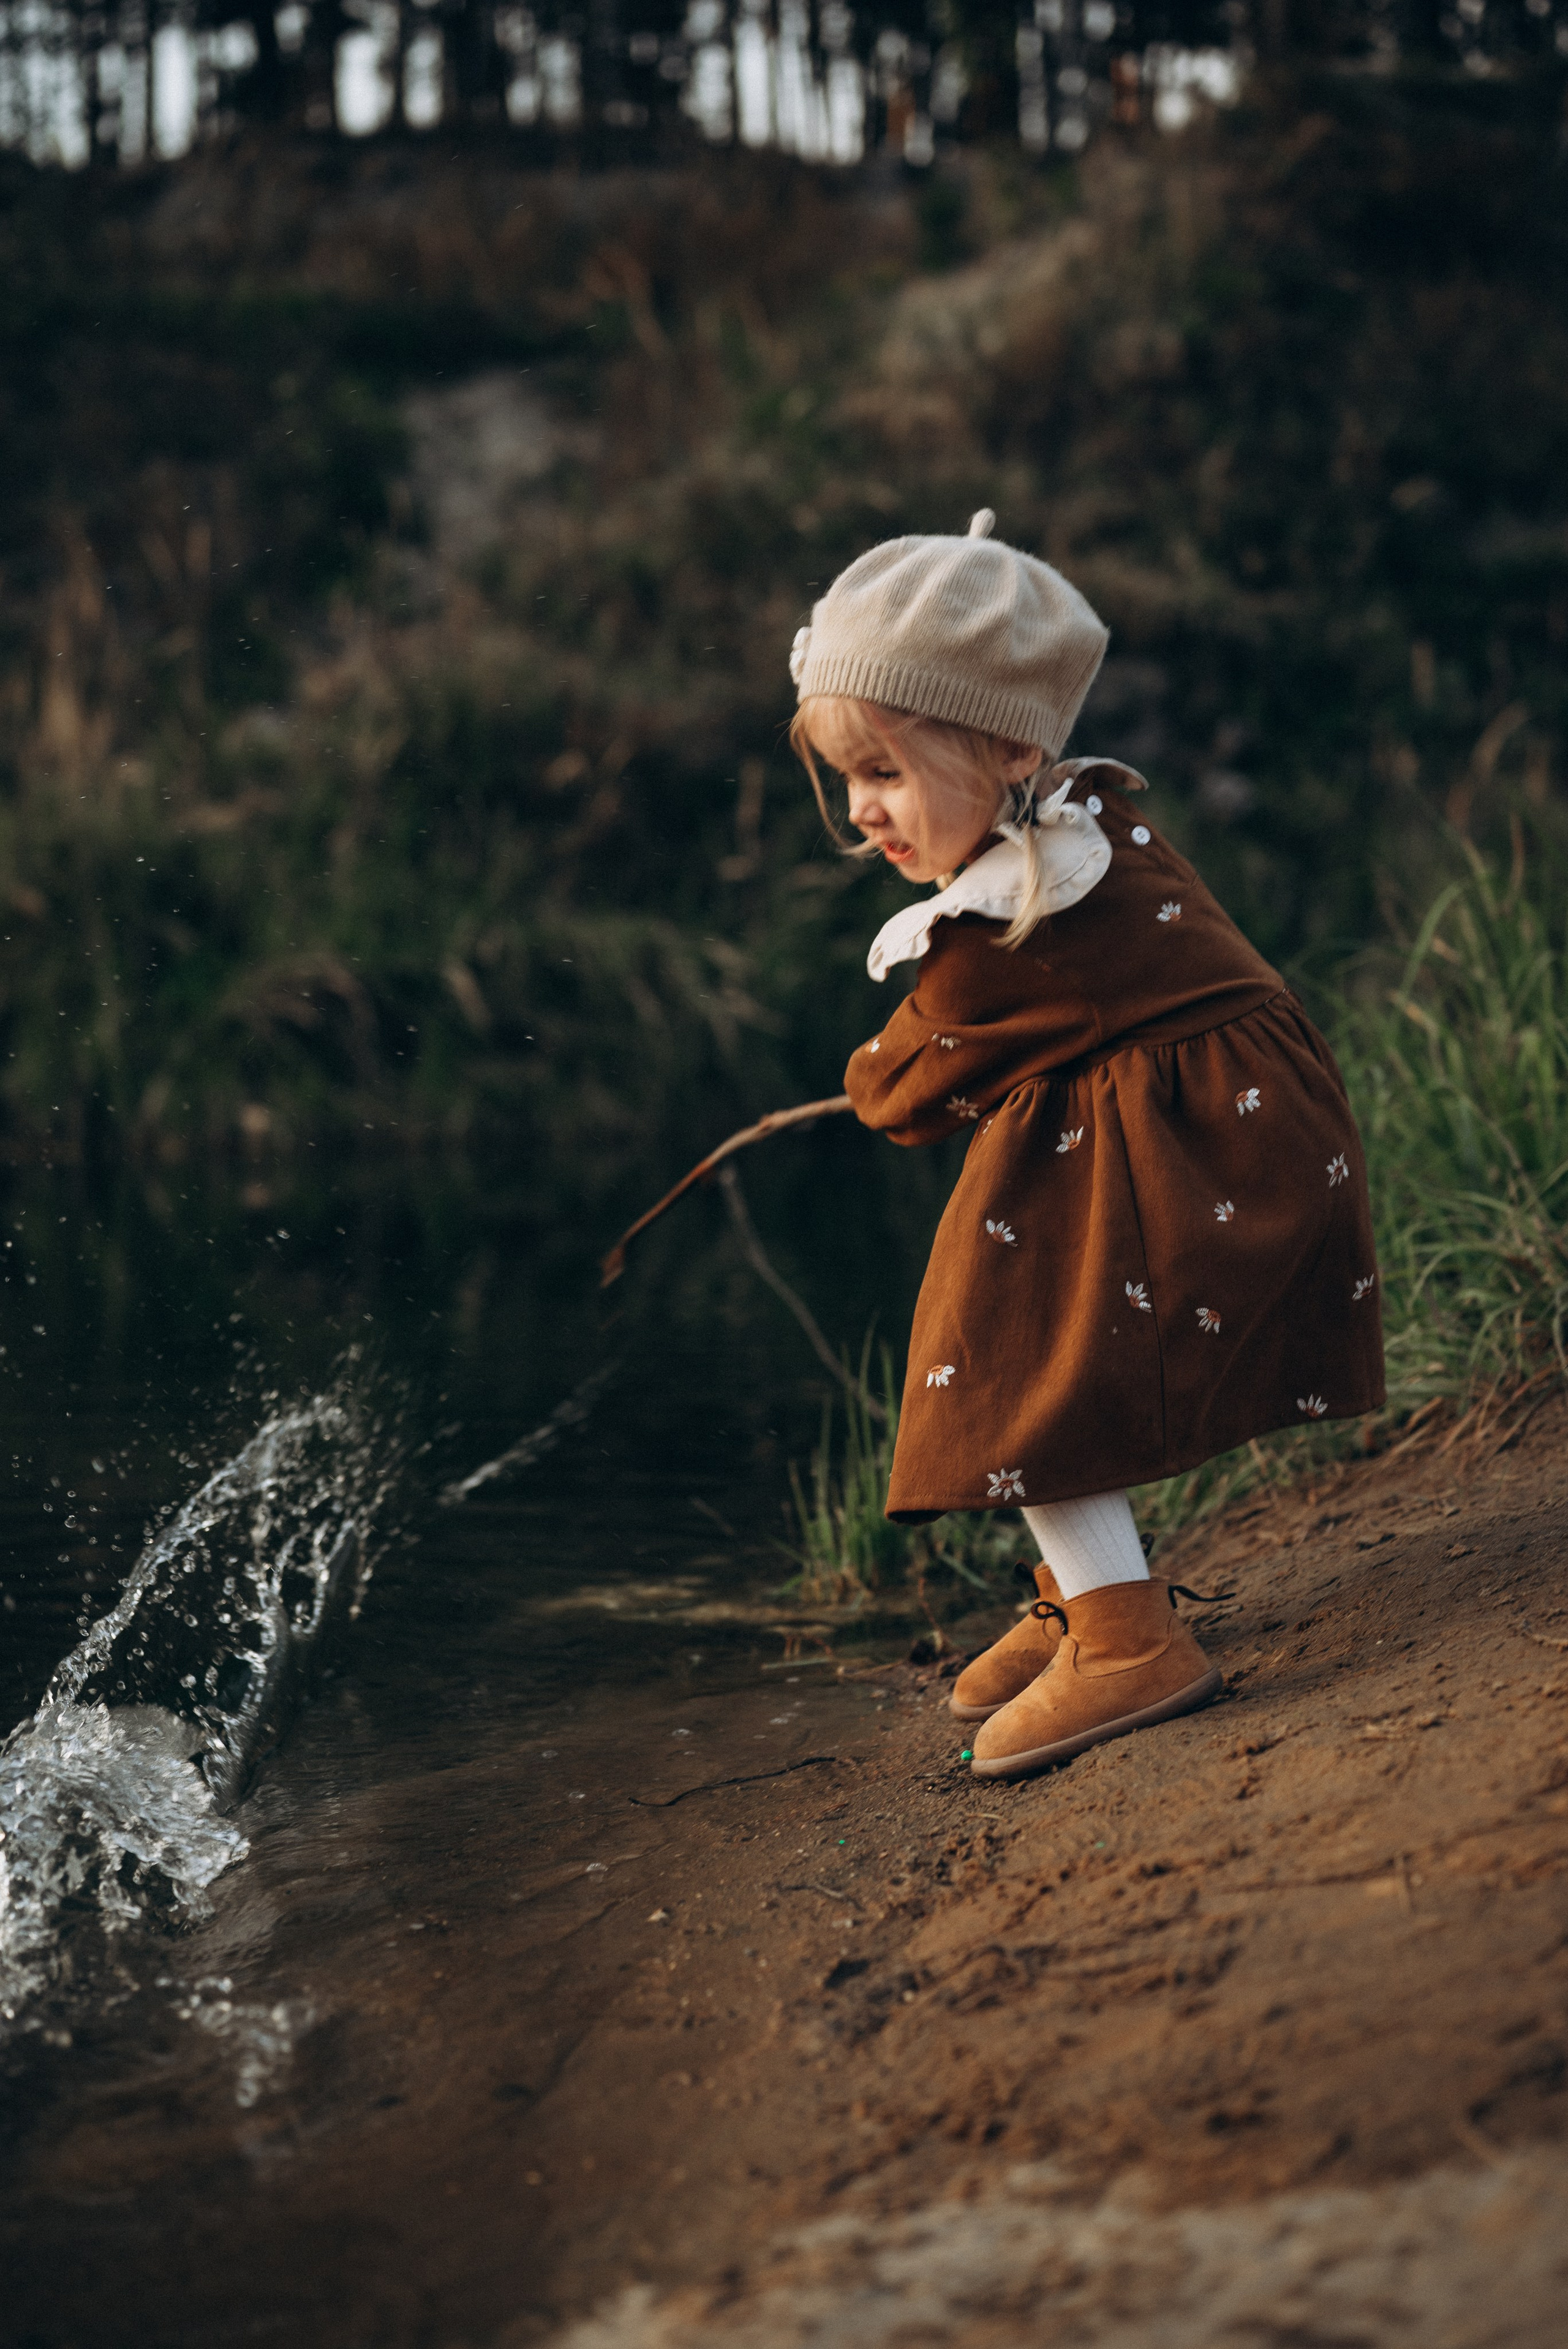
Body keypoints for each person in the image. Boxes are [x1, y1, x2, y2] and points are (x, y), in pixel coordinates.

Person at [789, 511, 1384, 1783]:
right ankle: (1086, 1588)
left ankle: (1124, 1637)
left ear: (1010, 745)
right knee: (1016, 1312)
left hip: (1210, 1155)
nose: (862, 813)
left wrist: (861, 1080)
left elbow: (908, 1083)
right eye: (845, 779)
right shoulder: (1078, 823)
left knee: (1006, 1351)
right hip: (1229, 1126)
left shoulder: (1028, 905)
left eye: (885, 773)